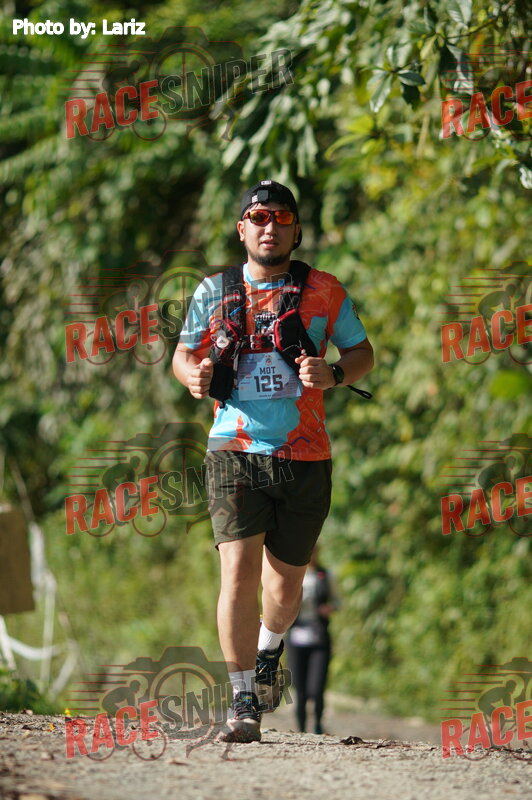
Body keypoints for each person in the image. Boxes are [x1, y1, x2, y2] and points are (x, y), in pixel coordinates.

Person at [172, 179, 374, 743]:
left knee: (285, 593)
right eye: (258, 217)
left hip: (305, 455)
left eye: (281, 217)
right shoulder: (213, 291)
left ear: (296, 230)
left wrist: (334, 373)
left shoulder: (325, 291)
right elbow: (183, 355)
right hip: (233, 450)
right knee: (237, 573)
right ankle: (242, 699)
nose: (270, 226)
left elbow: (363, 353)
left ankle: (269, 649)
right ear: (242, 229)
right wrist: (193, 377)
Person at [287, 545, 339, 734]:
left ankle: (318, 725)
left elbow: (337, 601)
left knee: (317, 688)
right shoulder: (291, 575)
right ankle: (300, 728)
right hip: (296, 637)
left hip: (319, 637)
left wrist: (329, 608)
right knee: (299, 688)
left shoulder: (325, 576)